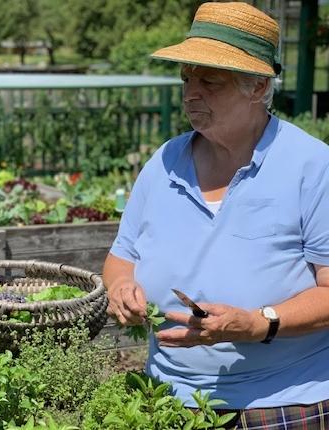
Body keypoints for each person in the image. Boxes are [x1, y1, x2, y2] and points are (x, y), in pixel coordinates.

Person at [103, 2, 329, 428]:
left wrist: (257, 323)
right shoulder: (165, 161)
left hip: (281, 403)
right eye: (186, 77)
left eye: (210, 80)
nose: (191, 92)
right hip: (167, 398)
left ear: (259, 87)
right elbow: (121, 255)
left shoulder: (313, 167)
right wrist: (121, 288)